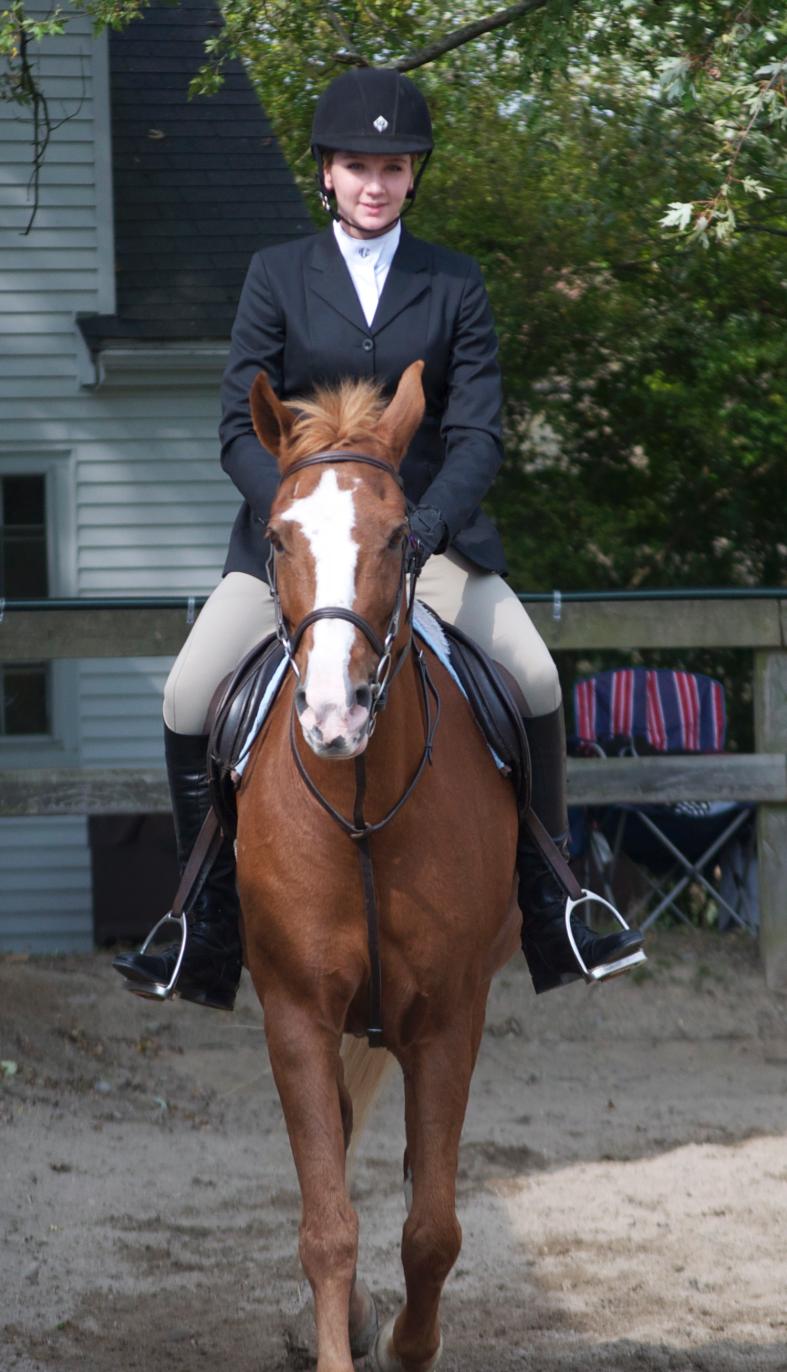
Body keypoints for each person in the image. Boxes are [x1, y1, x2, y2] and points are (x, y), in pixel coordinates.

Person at [113, 67, 644, 1011]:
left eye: (392, 167)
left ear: (411, 178)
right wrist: (291, 518)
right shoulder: (276, 274)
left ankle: (558, 900)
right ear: (326, 173)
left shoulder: (453, 282)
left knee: (533, 677)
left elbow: (477, 431)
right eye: (356, 165)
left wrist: (428, 525)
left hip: (428, 544)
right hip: (298, 548)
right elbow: (239, 426)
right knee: (189, 691)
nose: (373, 183)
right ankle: (201, 921)